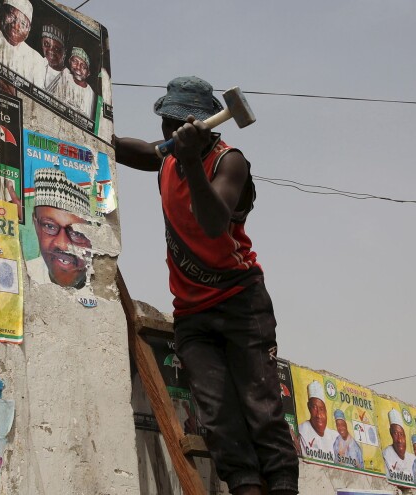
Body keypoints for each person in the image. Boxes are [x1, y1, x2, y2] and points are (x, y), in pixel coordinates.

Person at [113, 76, 297, 495]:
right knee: (218, 416)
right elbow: (142, 151)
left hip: (240, 303)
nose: (167, 132)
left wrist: (193, 161)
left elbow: (213, 222)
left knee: (262, 409)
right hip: (192, 313)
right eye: (165, 122)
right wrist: (100, 135)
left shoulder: (227, 161)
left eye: (177, 123)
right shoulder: (168, 157)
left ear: (204, 125)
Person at [28, 167, 92, 289]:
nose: (63, 244)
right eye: (49, 226)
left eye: (77, 233)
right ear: (36, 226)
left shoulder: (104, 287)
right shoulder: (23, 276)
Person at [0, 0, 45, 84]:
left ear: (29, 30)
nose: (16, 26)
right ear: (3, 13)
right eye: (12, 16)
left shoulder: (35, 60)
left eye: (23, 23)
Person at [297, 381, 339, 461]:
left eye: (321, 409)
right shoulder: (302, 431)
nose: (319, 415)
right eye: (314, 408)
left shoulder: (334, 437)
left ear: (326, 411)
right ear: (309, 407)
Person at [56, 47, 95, 118]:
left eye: (83, 66)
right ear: (69, 61)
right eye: (75, 61)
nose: (78, 67)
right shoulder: (64, 75)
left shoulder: (91, 94)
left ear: (88, 73)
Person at [382, 409, 414, 481]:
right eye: (395, 434)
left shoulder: (412, 459)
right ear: (391, 434)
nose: (399, 440)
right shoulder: (387, 453)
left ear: (405, 436)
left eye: (401, 434)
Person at [39, 24, 67, 92]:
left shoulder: (68, 77)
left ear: (64, 52)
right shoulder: (37, 63)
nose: (51, 51)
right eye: (46, 44)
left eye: (56, 49)